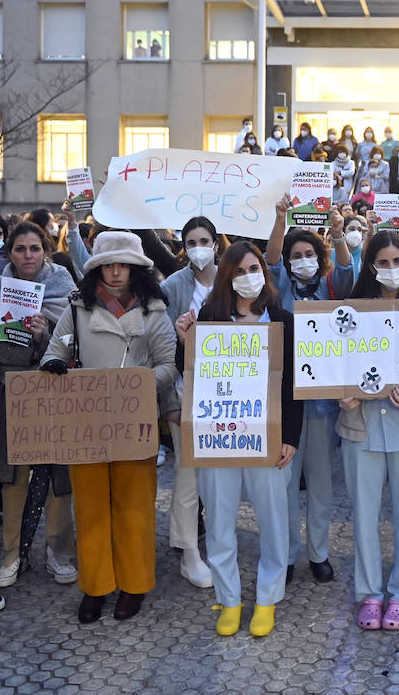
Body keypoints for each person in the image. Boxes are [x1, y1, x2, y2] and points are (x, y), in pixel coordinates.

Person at [40, 231, 180, 623]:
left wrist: (139, 385)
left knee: (134, 507)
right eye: (109, 264)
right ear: (96, 267)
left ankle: (134, 585)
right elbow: (55, 351)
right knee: (90, 508)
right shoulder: (77, 307)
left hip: (135, 424)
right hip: (86, 424)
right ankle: (96, 586)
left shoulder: (155, 309)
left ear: (137, 268)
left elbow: (169, 365)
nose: (116, 272)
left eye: (124, 264)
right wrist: (53, 366)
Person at [174, 241, 300, 637]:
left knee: (274, 523)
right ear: (227, 277)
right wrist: (184, 340)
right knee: (220, 526)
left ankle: (267, 599)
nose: (250, 277)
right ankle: (230, 600)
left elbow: (293, 385)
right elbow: (190, 374)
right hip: (219, 438)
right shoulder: (209, 319)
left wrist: (290, 438)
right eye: (241, 271)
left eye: (256, 267)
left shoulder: (282, 320)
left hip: (269, 438)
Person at [339, 232, 399, 632]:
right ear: (370, 267)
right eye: (384, 262)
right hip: (361, 428)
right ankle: (368, 593)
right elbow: (333, 366)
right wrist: (341, 396)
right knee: (364, 516)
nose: (392, 269)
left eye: (398, 260)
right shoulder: (348, 313)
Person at [0, 222, 79, 590]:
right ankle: (11, 555)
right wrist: (27, 342)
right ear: (10, 252)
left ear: (46, 250)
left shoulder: (65, 285)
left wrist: (45, 335)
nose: (27, 256)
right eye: (20, 249)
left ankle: (59, 553)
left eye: (34, 248)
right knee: (15, 478)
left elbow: (73, 342)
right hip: (12, 393)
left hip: (55, 393)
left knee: (57, 478)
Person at [265, 201, 353, 584]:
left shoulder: (332, 286)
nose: (303, 260)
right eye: (295, 256)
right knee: (284, 483)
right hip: (286, 401)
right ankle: (285, 554)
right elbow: (270, 262)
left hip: (321, 405)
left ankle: (319, 552)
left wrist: (337, 232)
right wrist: (280, 220)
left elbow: (349, 270)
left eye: (308, 254)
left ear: (320, 257)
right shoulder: (281, 286)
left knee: (320, 482)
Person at [159, 218, 225, 590]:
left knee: (217, 477)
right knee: (189, 476)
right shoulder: (172, 286)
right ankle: (189, 555)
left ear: (216, 243)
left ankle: (212, 543)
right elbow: (163, 348)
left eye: (204, 240)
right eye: (191, 242)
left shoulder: (231, 279)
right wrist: (168, 399)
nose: (198, 247)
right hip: (185, 393)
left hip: (226, 395)